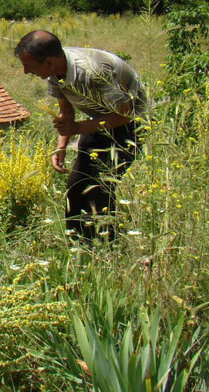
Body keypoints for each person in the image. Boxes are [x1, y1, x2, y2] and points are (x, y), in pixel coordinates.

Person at [15, 30, 146, 240]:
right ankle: (78, 248)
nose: (25, 71)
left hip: (130, 126)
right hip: (97, 121)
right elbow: (66, 113)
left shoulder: (92, 71)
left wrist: (77, 129)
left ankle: (107, 247)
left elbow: (126, 114)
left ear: (49, 62)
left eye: (29, 65)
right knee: (76, 187)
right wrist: (61, 146)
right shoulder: (55, 74)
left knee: (101, 187)